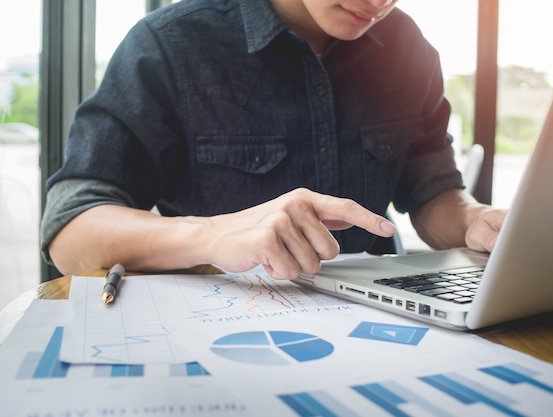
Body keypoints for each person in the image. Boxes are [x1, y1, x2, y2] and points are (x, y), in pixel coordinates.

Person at [40, 0, 506, 280]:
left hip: (386, 325)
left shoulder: (409, 47)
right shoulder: (170, 44)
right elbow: (71, 229)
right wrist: (214, 234)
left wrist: (476, 220)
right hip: (225, 332)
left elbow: (433, 195)